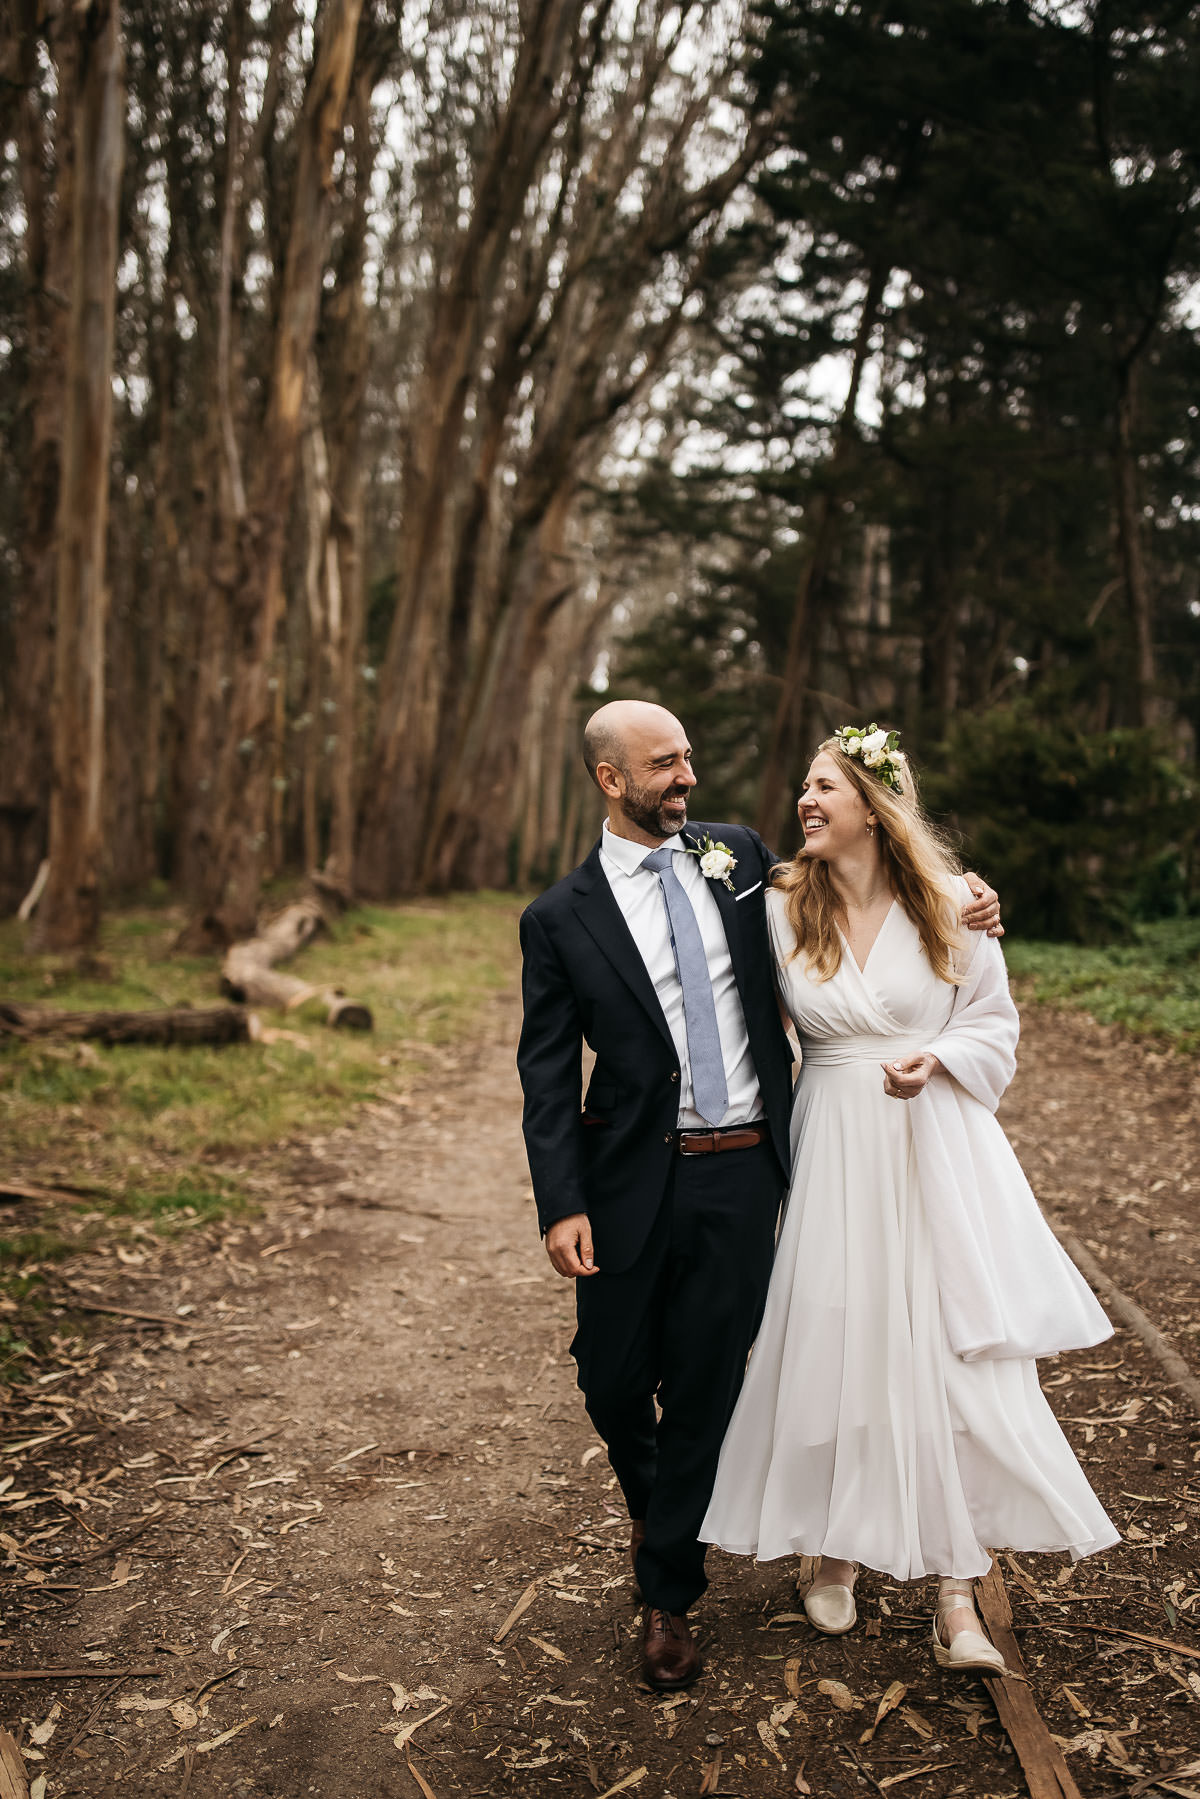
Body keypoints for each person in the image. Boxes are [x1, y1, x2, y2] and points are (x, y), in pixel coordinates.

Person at [516, 702, 1001, 1689]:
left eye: (689, 757)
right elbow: (547, 1074)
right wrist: (561, 1202)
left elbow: (863, 874)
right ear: (613, 779)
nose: (687, 776)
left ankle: (669, 1591)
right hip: (625, 1177)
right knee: (610, 1378)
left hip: (742, 1168)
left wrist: (967, 894)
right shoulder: (559, 917)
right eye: (666, 763)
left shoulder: (738, 858)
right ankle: (658, 1505)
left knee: (707, 1380)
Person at [700, 726, 1118, 1673]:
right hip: (834, 1145)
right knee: (838, 1333)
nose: (806, 801)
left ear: (874, 805)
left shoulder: (954, 903)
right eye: (805, 786)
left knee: (942, 1346)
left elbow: (994, 1025)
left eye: (825, 786)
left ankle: (957, 1589)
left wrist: (940, 1057)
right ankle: (834, 1545)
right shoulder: (779, 904)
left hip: (935, 1144)